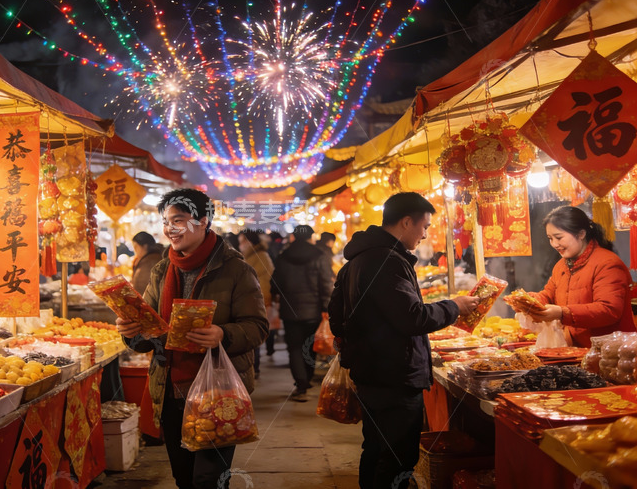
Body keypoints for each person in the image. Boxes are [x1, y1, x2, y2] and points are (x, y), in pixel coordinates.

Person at [116, 188, 268, 489]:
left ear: (203, 221)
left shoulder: (237, 270)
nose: (169, 228)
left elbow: (258, 326)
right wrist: (132, 333)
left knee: (207, 479)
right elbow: (150, 336)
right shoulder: (161, 271)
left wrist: (222, 334)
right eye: (166, 221)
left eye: (179, 220)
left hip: (218, 392)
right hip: (172, 390)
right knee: (184, 478)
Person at [327, 192, 479, 488]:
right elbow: (413, 318)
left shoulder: (360, 258)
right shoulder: (386, 260)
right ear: (407, 222)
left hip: (373, 371)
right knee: (396, 457)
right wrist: (454, 306)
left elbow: (335, 312)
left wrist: (355, 342)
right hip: (393, 374)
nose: (425, 235)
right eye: (424, 227)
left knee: (375, 448)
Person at [513, 206, 637, 347]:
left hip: (610, 353)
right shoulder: (561, 265)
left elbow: (609, 310)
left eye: (559, 237)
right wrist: (528, 301)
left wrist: (562, 313)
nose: (554, 244)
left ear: (581, 234)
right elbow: (549, 294)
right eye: (550, 238)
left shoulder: (608, 264)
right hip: (574, 349)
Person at [270, 224, 334, 402]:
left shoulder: (284, 256)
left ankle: (301, 383)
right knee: (310, 344)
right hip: (313, 310)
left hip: (290, 310)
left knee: (295, 348)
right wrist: (326, 307)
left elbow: (274, 283)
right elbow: (326, 284)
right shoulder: (319, 256)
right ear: (310, 237)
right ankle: (307, 376)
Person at [238, 230, 275, 377]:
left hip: (257, 301)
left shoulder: (260, 257)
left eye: (242, 241)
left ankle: (255, 367)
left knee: (254, 334)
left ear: (250, 242)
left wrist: (263, 301)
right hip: (252, 300)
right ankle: (254, 366)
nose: (240, 245)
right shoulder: (253, 256)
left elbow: (265, 282)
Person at [131, 231, 165, 295]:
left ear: (145, 246)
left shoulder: (151, 261)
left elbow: (143, 286)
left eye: (136, 247)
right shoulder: (146, 259)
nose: (135, 250)